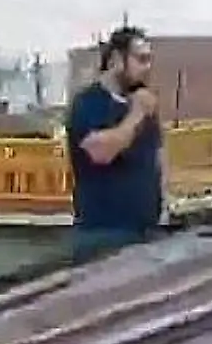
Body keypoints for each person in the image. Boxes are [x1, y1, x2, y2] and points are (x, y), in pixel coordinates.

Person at [65, 26, 165, 261]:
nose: (147, 68)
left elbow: (158, 154)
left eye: (149, 60)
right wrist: (136, 115)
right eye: (141, 60)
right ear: (117, 60)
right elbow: (100, 152)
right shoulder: (89, 103)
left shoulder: (142, 103)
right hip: (104, 236)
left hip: (146, 233)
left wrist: (163, 203)